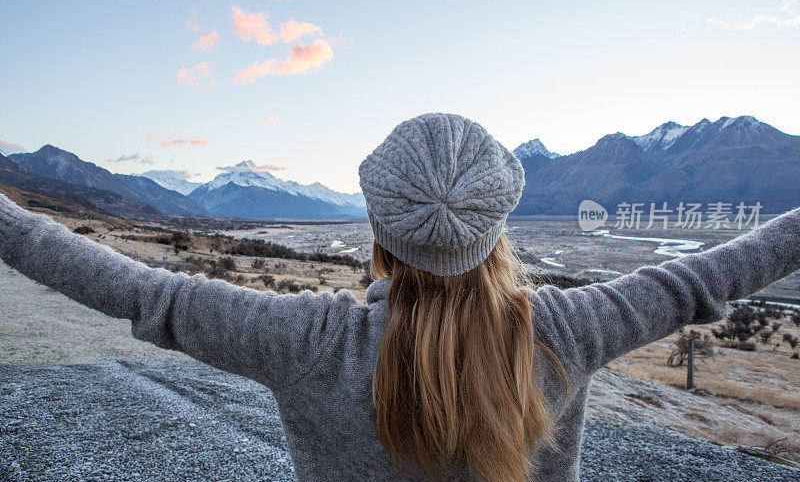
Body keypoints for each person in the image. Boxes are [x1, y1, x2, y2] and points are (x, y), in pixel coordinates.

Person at [0, 112, 798, 482]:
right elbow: (714, 274)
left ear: (379, 233)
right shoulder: (569, 329)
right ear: (496, 229)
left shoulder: (311, 338)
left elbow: (146, 292)